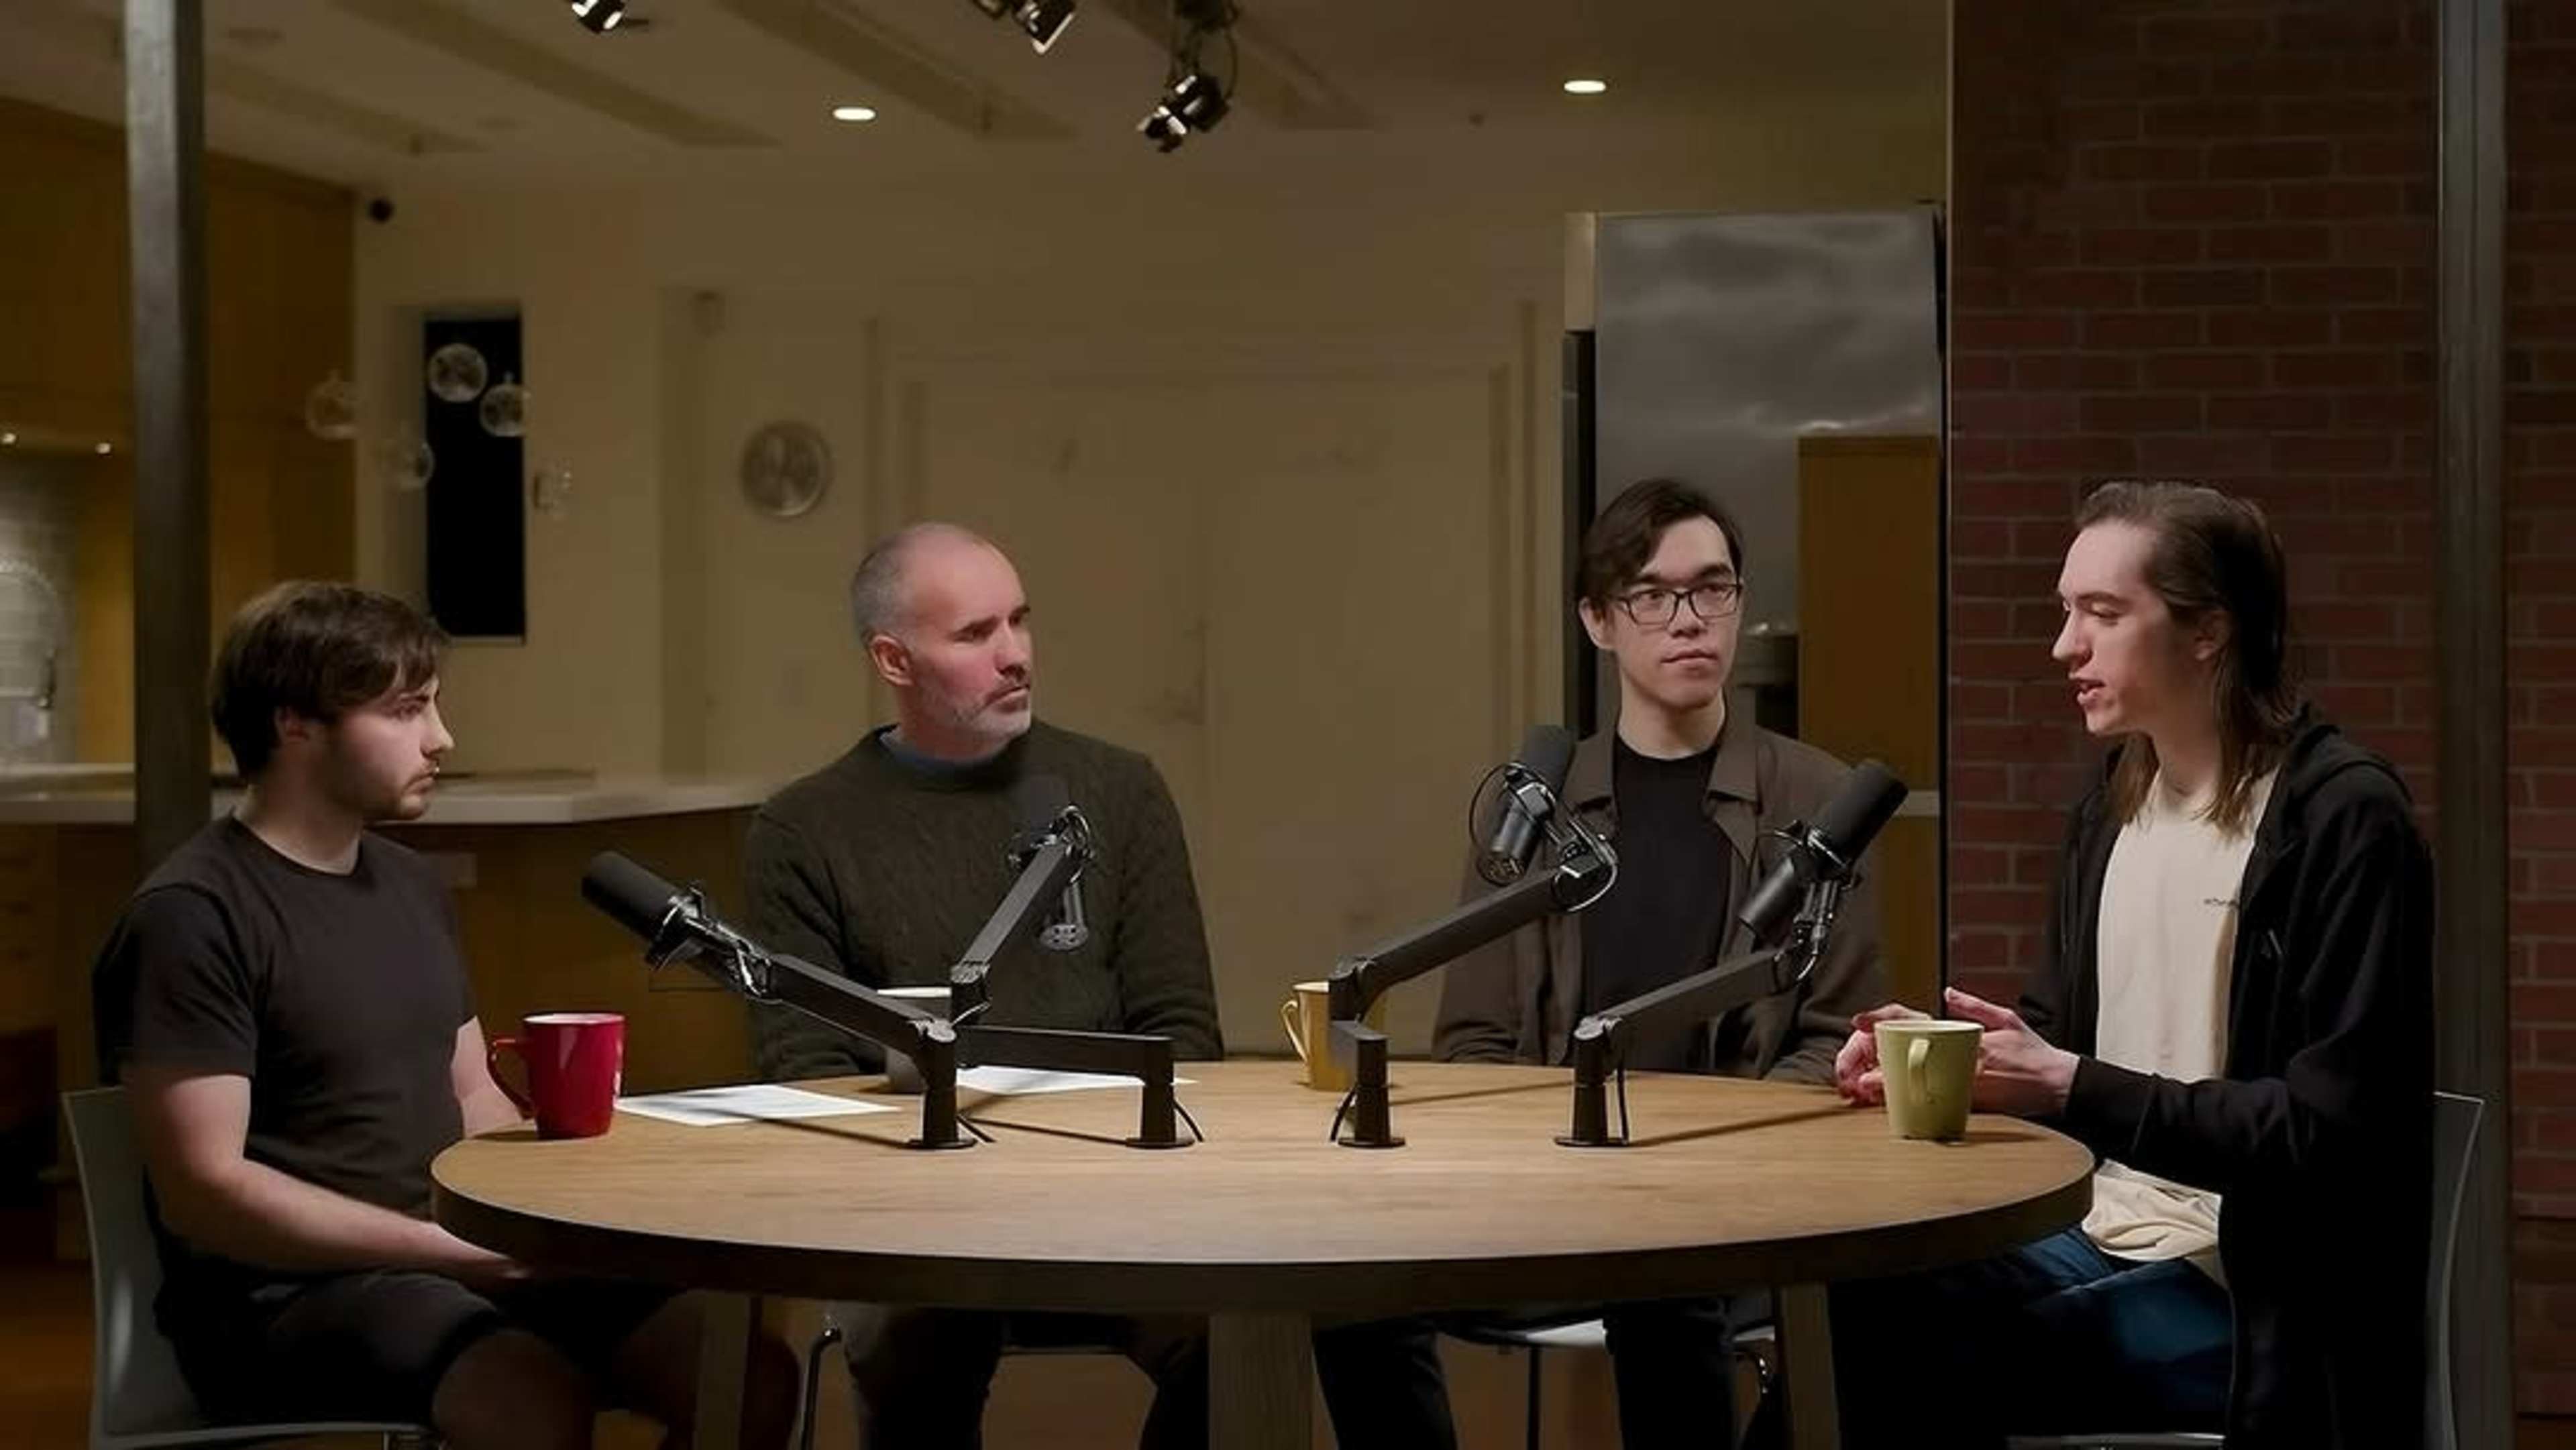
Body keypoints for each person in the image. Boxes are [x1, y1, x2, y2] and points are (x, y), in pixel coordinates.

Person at [748, 522, 1454, 1450]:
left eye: (1020, 621)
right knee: (913, 1346)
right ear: (893, 658)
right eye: (974, 635)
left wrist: (1092, 1173)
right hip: (917, 1210)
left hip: (1117, 1191)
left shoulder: (1116, 792)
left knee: (1238, 1336)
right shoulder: (803, 829)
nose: (1015, 655)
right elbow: (809, 1070)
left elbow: (1181, 1031)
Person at [93, 581, 797, 1450]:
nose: (442, 738)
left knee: (746, 1376)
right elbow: (209, 1192)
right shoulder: (192, 914)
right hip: (286, 1295)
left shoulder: (409, 884)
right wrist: (453, 1247)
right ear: (296, 723)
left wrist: (572, 1212)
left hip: (452, 1256)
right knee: (528, 1398)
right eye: (405, 710)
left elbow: (475, 1097)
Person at [1831, 481, 2433, 1447]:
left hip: (2250, 1289)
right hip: (2096, 1229)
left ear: (2208, 633)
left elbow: (2328, 1135)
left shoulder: (2341, 820)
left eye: (2103, 614)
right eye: (2067, 611)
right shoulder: (2112, 805)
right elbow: (2064, 1051)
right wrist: (1955, 1058)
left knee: (1966, 1354)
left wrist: (2068, 1081)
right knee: (1853, 1296)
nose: (2065, 645)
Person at [1433, 478, 1890, 1449]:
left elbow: (1833, 1044)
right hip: (1553, 1196)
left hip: (1730, 1205)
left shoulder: (1819, 800)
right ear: (1599, 620)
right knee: (1343, 1294)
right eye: (1652, 596)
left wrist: (1709, 1162)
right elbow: (1468, 1042)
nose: (1688, 621)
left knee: (1670, 1286)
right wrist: (1548, 1163)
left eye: (1712, 589)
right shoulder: (1532, 806)